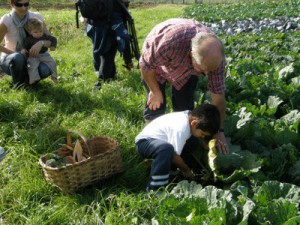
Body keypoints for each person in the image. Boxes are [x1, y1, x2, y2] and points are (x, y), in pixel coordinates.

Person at [139, 18, 229, 153]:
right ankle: (151, 145)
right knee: (156, 105)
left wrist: (219, 131)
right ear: (192, 55)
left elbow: (218, 98)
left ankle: (184, 146)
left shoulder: (215, 60)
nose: (206, 74)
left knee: (185, 108)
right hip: (157, 67)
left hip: (186, 73)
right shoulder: (169, 43)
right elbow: (146, 66)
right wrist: (155, 91)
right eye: (202, 70)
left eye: (209, 71)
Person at [135, 104, 220, 193]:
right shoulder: (181, 128)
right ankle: (155, 189)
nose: (202, 136)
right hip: (145, 143)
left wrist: (205, 145)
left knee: (191, 144)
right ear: (194, 123)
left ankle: (169, 170)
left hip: (157, 143)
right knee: (167, 150)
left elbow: (195, 136)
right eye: (202, 134)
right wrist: (186, 170)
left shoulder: (189, 116)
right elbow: (174, 155)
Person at [0, 0, 53, 89]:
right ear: (12, 4)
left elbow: (51, 40)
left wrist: (41, 43)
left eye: (26, 4)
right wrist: (15, 53)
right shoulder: (7, 20)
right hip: (11, 58)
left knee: (45, 70)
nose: (23, 8)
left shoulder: (36, 17)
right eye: (19, 5)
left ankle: (28, 82)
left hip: (32, 58)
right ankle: (19, 87)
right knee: (18, 58)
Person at [85, 0, 133, 90]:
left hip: (96, 23)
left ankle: (111, 76)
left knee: (103, 50)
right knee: (108, 52)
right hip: (111, 22)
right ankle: (101, 83)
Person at [21, 17, 58, 84]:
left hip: (44, 55)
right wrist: (23, 50)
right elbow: (25, 45)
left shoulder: (45, 36)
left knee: (52, 63)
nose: (39, 33)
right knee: (32, 66)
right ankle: (33, 79)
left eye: (40, 31)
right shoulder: (28, 39)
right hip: (33, 55)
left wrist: (53, 46)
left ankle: (54, 77)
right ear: (30, 32)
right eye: (35, 32)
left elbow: (53, 39)